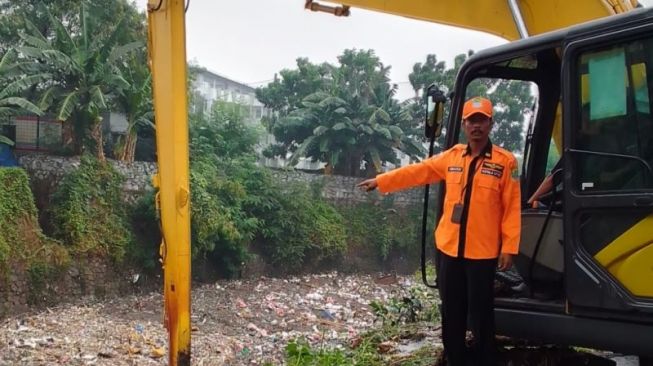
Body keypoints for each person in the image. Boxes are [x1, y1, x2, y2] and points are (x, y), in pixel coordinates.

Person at [357, 96, 521, 366]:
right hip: (449, 249)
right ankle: (455, 359)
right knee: (452, 313)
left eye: (481, 120)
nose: (476, 126)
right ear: (464, 125)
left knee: (481, 315)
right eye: (471, 121)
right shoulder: (452, 157)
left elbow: (511, 208)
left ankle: (486, 360)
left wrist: (509, 247)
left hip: (483, 253)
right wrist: (381, 180)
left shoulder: (505, 163)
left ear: (491, 123)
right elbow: (418, 172)